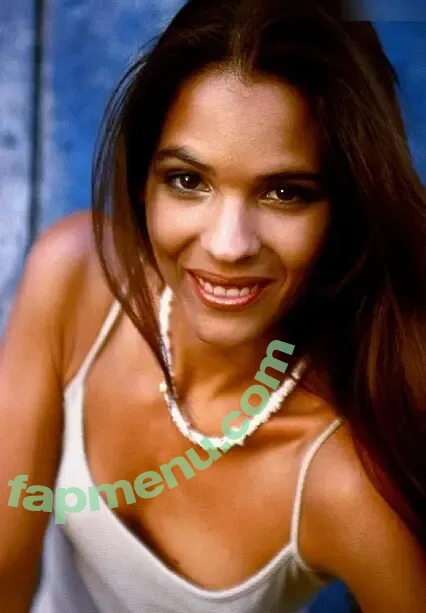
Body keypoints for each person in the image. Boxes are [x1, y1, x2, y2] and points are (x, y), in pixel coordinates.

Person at [1, 0, 425, 611]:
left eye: (285, 193)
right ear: (144, 181)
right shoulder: (75, 277)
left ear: (345, 211)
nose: (228, 246)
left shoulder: (344, 479)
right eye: (189, 180)